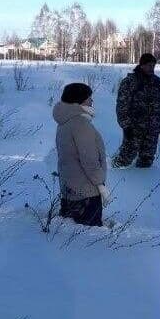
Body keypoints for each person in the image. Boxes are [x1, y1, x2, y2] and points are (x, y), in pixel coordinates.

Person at [53, 83, 109, 227]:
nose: (92, 101)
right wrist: (100, 184)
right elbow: (89, 160)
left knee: (70, 234)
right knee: (87, 238)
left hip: (69, 189)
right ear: (80, 100)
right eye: (89, 98)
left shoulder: (65, 122)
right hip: (86, 193)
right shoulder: (80, 124)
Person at [113, 53, 160, 169]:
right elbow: (122, 106)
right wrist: (126, 126)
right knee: (125, 159)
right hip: (134, 128)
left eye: (153, 65)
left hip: (153, 130)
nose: (151, 68)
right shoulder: (129, 82)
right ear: (141, 65)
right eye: (148, 65)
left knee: (147, 160)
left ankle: (144, 183)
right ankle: (115, 176)